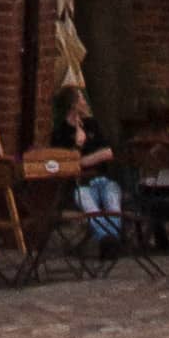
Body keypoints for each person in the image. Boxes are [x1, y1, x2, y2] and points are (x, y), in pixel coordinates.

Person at [51, 83, 122, 248]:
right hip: (80, 185)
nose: (85, 103)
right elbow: (66, 166)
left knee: (113, 204)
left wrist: (82, 161)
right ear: (73, 105)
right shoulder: (60, 133)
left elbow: (108, 153)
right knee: (90, 208)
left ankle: (109, 243)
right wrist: (77, 146)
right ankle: (109, 241)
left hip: (103, 179)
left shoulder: (92, 125)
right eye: (82, 99)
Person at [128, 99, 169, 255]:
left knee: (139, 193)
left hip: (149, 195)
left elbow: (133, 163)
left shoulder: (140, 139)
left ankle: (158, 236)